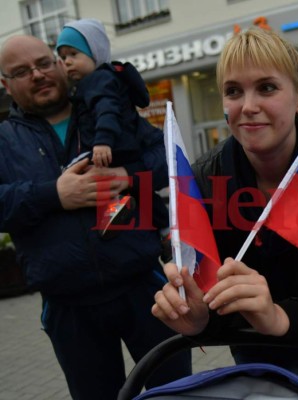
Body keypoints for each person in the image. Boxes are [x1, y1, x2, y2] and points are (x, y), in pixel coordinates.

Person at [152, 27, 298, 400]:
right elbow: (201, 284)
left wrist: (278, 316)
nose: (247, 105)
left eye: (266, 88)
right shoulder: (204, 178)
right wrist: (197, 318)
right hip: (246, 345)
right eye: (233, 91)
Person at [0, 35, 190, 400]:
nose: (37, 75)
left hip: (144, 288)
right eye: (22, 72)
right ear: (6, 84)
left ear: (59, 63)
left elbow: (167, 157)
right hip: (68, 306)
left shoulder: (106, 108)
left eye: (43, 63)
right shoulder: (5, 140)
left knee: (176, 394)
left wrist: (128, 175)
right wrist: (54, 194)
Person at [55, 18, 170, 247]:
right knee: (143, 193)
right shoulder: (103, 79)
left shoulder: (98, 80)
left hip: (112, 146)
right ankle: (165, 230)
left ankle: (115, 209)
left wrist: (102, 141)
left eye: (73, 54)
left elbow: (107, 110)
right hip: (122, 149)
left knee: (74, 167)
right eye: (63, 57)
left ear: (95, 53)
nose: (67, 62)